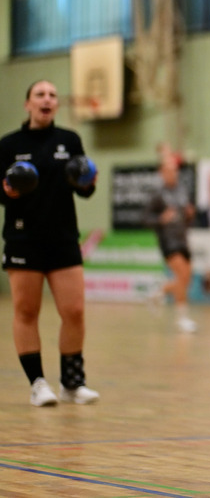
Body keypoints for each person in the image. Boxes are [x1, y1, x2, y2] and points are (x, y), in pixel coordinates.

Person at [0, 80, 100, 406]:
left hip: (63, 239)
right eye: (40, 95)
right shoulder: (8, 144)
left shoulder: (70, 140)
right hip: (23, 237)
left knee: (74, 311)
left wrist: (88, 183)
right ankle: (38, 383)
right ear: (28, 104)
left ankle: (72, 384)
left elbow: (83, 188)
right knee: (26, 311)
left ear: (57, 105)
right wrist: (8, 191)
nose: (47, 99)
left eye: (52, 95)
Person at [144, 155, 198, 333]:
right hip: (168, 240)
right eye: (169, 171)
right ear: (162, 173)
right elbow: (145, 218)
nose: (173, 174)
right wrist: (161, 218)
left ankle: (158, 293)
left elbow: (186, 216)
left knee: (186, 279)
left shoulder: (182, 190)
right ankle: (182, 319)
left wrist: (190, 214)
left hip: (183, 238)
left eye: (175, 170)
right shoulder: (158, 195)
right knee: (182, 275)